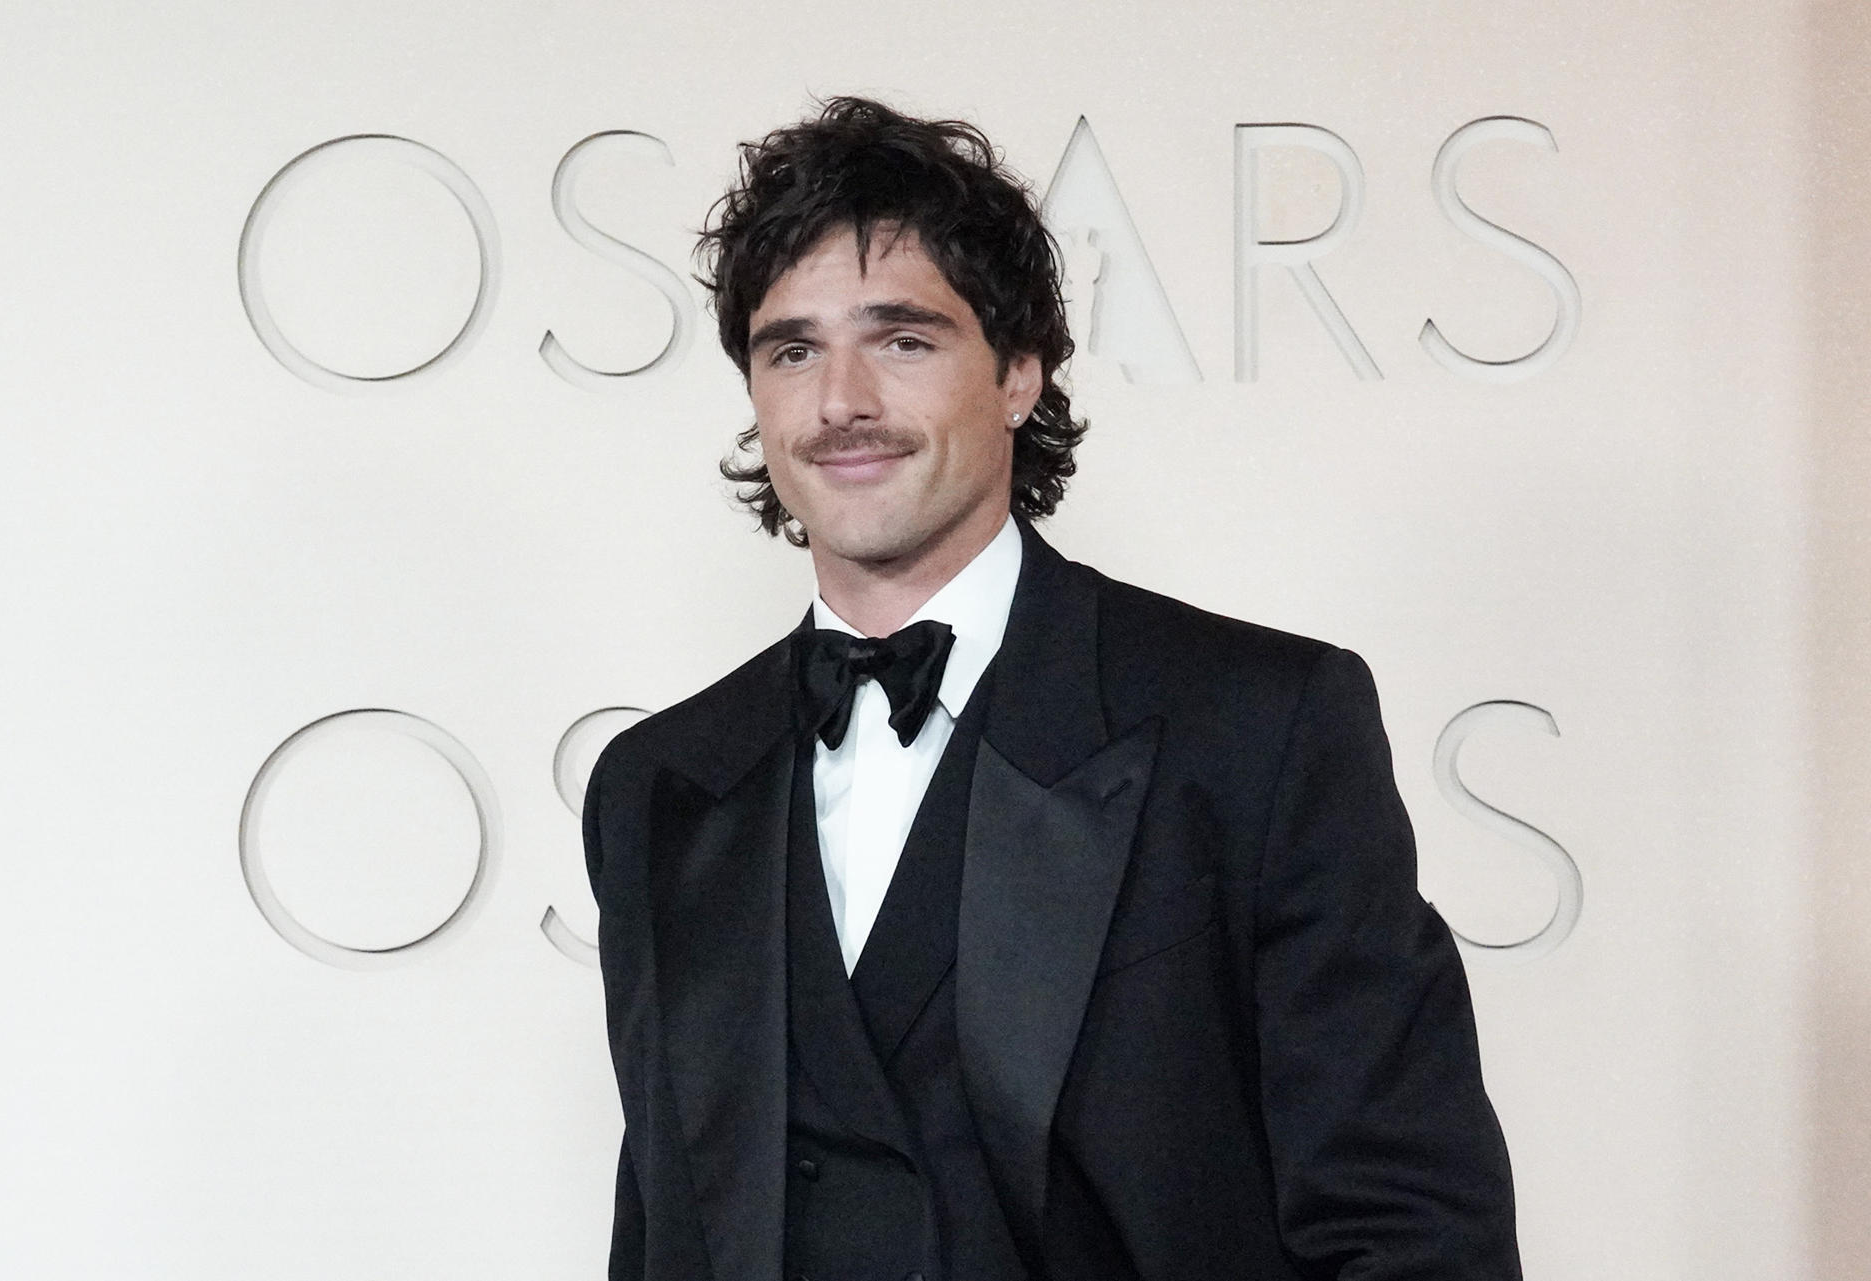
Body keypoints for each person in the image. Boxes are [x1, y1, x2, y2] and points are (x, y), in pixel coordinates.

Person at [582, 96, 1521, 1281]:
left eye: (904, 339)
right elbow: (663, 1231)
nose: (841, 403)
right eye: (793, 349)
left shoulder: (1260, 727)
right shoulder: (657, 787)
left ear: (1018, 373)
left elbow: (1411, 1227)